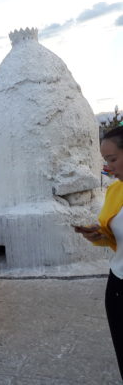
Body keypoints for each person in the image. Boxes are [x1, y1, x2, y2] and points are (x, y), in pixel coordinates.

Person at [76, 126, 123, 379]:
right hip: (118, 284)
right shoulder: (115, 191)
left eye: (112, 160)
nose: (108, 167)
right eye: (106, 161)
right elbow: (115, 238)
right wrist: (99, 235)